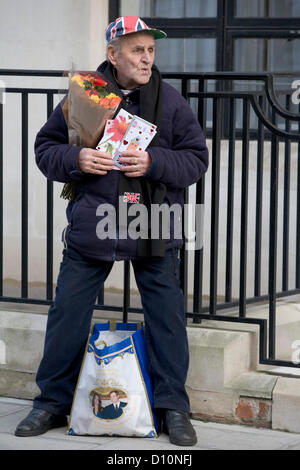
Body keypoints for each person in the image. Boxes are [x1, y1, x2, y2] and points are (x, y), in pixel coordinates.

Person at [15, 16, 209, 446]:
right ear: (113, 55)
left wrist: (154, 164)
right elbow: (45, 149)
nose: (146, 59)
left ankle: (173, 407)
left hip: (153, 224)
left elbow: (196, 159)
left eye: (151, 51)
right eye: (137, 50)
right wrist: (77, 160)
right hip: (94, 224)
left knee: (167, 319)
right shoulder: (86, 96)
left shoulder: (172, 102)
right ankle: (50, 403)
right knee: (67, 313)